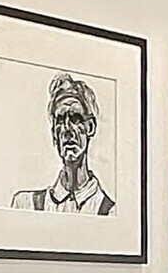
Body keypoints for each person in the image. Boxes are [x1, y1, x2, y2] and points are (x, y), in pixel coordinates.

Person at [14, 72, 116, 215]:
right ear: (54, 134)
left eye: (76, 118)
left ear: (90, 127)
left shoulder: (109, 212)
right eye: (61, 120)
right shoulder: (26, 205)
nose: (68, 129)